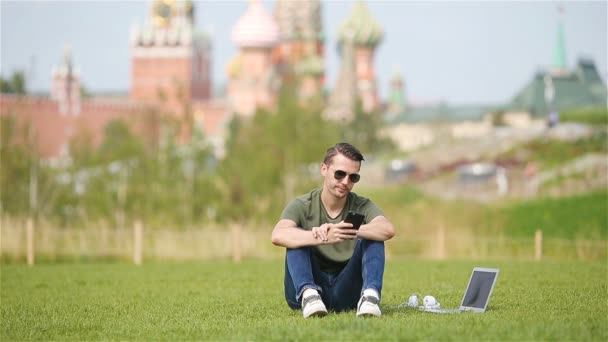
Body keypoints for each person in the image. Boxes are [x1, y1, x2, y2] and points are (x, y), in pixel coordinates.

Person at [271, 143, 395, 318]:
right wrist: (322, 237)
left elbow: (387, 229)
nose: (345, 182)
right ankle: (309, 295)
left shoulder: (362, 205)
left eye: (353, 177)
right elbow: (278, 235)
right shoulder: (302, 204)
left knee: (375, 236)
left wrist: (351, 230)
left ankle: (370, 298)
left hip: (346, 291)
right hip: (304, 293)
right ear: (324, 169)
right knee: (296, 236)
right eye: (340, 174)